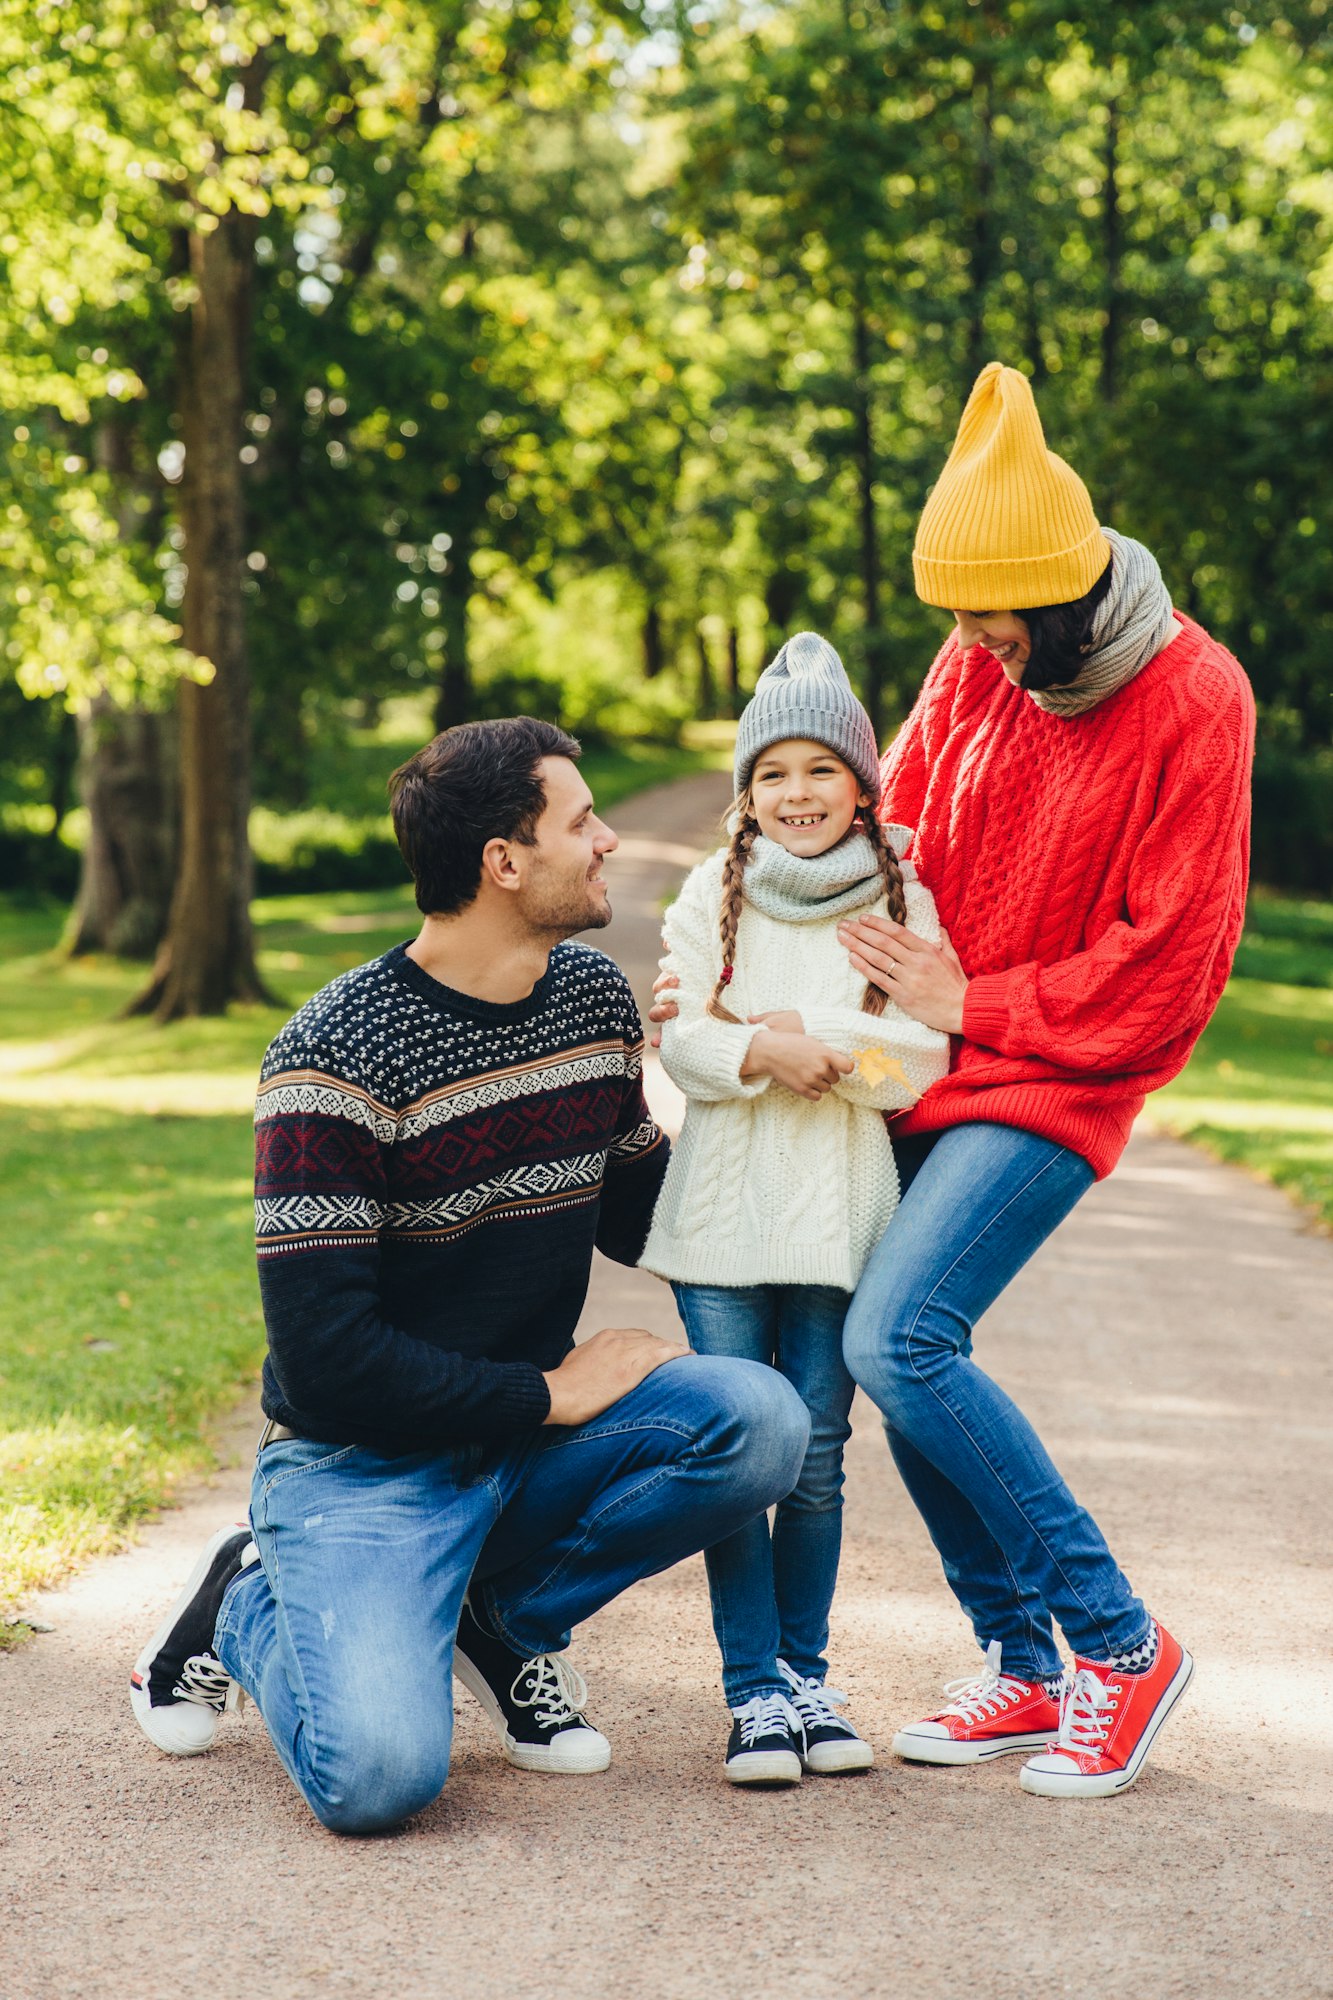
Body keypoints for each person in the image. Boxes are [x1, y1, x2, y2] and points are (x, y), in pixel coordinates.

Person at [655, 363, 1254, 1799]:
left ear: (1066, 586)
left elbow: (1174, 959)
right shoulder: (981, 663)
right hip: (911, 1068)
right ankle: (1025, 1663)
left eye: (995, 615)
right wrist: (725, 981)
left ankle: (1116, 1642)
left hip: (1053, 1078)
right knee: (892, 1345)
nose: (975, 643)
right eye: (961, 619)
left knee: (896, 1340)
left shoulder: (1196, 695)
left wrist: (978, 998)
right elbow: (882, 840)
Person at [129, 716, 810, 1835]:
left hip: (516, 1452)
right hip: (362, 1464)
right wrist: (551, 1392)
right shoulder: (331, 1053)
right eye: (580, 819)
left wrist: (754, 1077)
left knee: (759, 1422)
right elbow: (329, 1359)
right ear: (503, 861)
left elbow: (651, 1212)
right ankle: (248, 1601)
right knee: (381, 1778)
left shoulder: (591, 1001)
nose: (608, 839)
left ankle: (493, 1612)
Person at [640, 634, 950, 1786]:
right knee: (741, 1453)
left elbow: (920, 1054)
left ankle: (805, 1673)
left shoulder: (904, 890)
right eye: (774, 774)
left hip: (837, 1213)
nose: (797, 794)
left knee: (815, 1452)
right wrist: (762, 1047)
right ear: (746, 789)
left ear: (862, 784)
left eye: (821, 770)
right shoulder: (706, 889)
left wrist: (824, 1054)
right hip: (721, 1215)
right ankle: (750, 1692)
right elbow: (680, 1038)